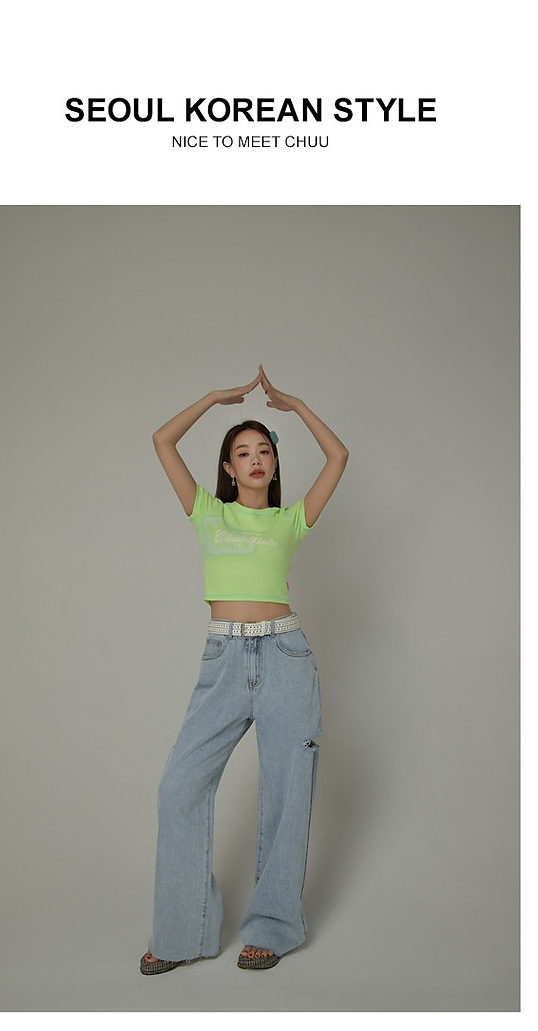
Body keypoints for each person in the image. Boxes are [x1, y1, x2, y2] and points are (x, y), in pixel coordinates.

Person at [140, 365, 348, 974]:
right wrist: (215, 398)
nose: (255, 459)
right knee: (179, 787)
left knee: (288, 790)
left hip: (286, 657)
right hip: (224, 660)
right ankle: (181, 933)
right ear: (228, 468)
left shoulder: (290, 521)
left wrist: (296, 405)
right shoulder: (207, 512)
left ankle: (274, 928)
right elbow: (162, 440)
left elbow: (338, 456)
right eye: (243, 452)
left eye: (264, 451)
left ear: (274, 464)